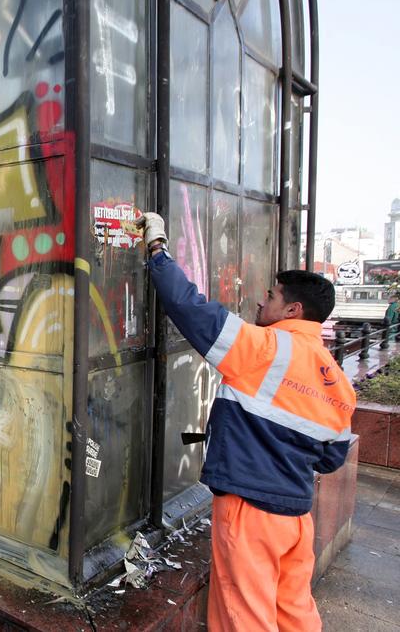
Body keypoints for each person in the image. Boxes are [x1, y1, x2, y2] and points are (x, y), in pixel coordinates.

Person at [136, 213, 355, 631]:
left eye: (270, 296)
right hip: (295, 517)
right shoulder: (336, 380)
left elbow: (187, 307)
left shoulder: (264, 348)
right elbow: (330, 460)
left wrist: (157, 248)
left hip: (250, 512)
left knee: (243, 616)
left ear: (292, 308)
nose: (261, 302)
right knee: (294, 611)